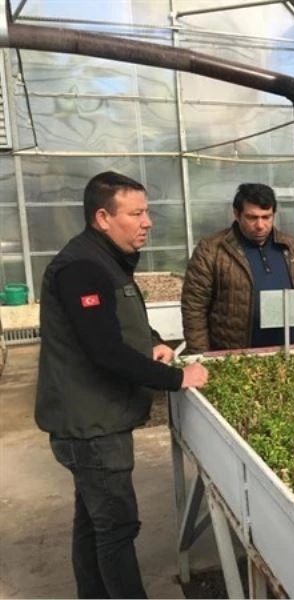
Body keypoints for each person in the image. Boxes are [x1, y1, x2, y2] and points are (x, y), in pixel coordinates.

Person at [35, 171, 209, 598]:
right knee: (116, 529)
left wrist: (152, 343)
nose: (147, 222)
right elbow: (105, 350)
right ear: (102, 218)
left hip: (94, 422)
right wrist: (178, 378)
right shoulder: (82, 269)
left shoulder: (106, 261)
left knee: (93, 523)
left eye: (146, 212)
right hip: (93, 426)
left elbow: (116, 325)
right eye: (135, 213)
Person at [181, 183, 294, 355]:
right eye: (252, 217)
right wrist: (201, 356)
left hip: (289, 351)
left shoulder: (290, 246)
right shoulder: (212, 250)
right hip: (237, 355)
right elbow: (194, 308)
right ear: (237, 214)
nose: (260, 225)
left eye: (266, 217)